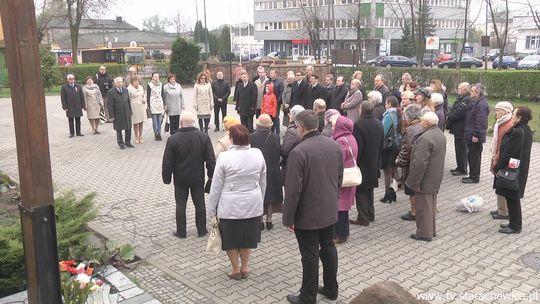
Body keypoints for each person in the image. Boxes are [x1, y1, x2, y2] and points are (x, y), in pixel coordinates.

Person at [283, 110, 342, 304]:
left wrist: (288, 218)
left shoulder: (298, 152)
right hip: (329, 209)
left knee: (310, 255)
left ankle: (307, 297)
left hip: (307, 214)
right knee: (328, 248)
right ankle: (331, 289)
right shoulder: (334, 145)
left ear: (300, 128)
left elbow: (292, 190)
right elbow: (339, 178)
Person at [207, 124, 266, 280]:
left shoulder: (224, 157)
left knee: (231, 239)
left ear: (232, 139)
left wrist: (212, 209)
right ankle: (245, 267)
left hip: (229, 206)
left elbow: (216, 186)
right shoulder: (258, 154)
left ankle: (235, 269)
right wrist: (260, 200)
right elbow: (263, 181)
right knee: (248, 237)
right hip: (252, 204)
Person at [163, 111, 215, 238]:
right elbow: (210, 159)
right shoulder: (203, 137)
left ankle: (181, 232)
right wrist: (211, 175)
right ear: (194, 123)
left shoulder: (173, 139)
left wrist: (166, 178)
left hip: (180, 179)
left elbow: (167, 162)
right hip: (197, 178)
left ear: (181, 123)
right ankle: (201, 230)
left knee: (180, 205)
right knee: (200, 204)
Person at [406, 112, 446, 242]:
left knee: (423, 207)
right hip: (435, 175)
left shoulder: (425, 138)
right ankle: (431, 230)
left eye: (422, 121)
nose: (420, 123)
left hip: (425, 178)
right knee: (431, 205)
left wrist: (415, 182)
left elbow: (419, 163)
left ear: (427, 123)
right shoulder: (440, 134)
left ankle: (424, 233)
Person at [496, 106, 533, 234]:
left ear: (520, 117)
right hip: (520, 168)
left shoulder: (518, 131)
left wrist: (498, 166)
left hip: (514, 169)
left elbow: (509, 152)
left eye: (514, 115)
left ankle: (515, 226)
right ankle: (513, 222)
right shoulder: (525, 129)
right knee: (512, 196)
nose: (512, 116)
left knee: (512, 197)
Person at [351, 101, 384, 226]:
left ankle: (363, 218)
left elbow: (358, 147)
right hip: (374, 160)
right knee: (370, 190)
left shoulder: (358, 125)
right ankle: (370, 214)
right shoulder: (378, 123)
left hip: (363, 163)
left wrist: (355, 163)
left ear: (361, 110)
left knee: (361, 191)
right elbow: (382, 143)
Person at [251, 114, 283, 231]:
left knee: (259, 194)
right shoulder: (275, 137)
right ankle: (269, 219)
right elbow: (280, 152)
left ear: (258, 124)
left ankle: (260, 220)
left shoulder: (251, 137)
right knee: (270, 195)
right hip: (273, 169)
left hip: (257, 170)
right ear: (270, 126)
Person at [331, 116, 358, 244]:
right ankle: (344, 233)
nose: (332, 128)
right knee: (344, 207)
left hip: (342, 178)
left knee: (340, 207)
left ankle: (340, 235)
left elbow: (338, 160)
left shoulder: (341, 140)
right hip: (349, 176)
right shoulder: (351, 137)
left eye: (334, 125)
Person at [396, 104, 424, 221]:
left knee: (411, 189)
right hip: (420, 162)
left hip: (411, 164)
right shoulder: (422, 125)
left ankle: (414, 212)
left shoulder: (410, 130)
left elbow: (407, 148)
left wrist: (399, 161)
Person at [489, 102, 514, 220]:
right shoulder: (500, 123)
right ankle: (500, 208)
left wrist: (497, 159)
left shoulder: (508, 124)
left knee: (502, 184)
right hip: (497, 156)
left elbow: (505, 145)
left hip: (502, 159)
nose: (496, 113)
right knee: (497, 183)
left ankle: (504, 211)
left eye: (499, 110)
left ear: (506, 112)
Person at [463, 83, 490, 184]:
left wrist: (476, 135)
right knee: (472, 155)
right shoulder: (476, 101)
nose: (470, 92)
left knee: (475, 156)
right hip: (471, 134)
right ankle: (472, 175)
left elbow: (481, 122)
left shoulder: (481, 104)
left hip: (475, 136)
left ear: (477, 92)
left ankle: (474, 177)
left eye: (472, 91)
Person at [446, 82, 472, 177]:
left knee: (462, 149)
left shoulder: (467, 100)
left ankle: (462, 169)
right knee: (458, 148)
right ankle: (459, 166)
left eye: (459, 88)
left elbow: (459, 112)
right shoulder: (462, 98)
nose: (458, 89)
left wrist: (449, 117)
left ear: (465, 90)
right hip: (458, 128)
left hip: (462, 129)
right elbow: (454, 108)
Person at [379, 96, 401, 204]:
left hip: (388, 147)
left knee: (387, 171)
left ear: (390, 104)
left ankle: (387, 194)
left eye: (386, 103)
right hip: (397, 145)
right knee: (394, 170)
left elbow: (383, 131)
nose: (385, 104)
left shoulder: (388, 116)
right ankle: (394, 192)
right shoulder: (399, 114)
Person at [107, 77, 133, 149]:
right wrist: (111, 116)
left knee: (128, 128)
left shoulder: (125, 90)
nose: (120, 83)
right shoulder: (111, 92)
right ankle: (120, 142)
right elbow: (109, 105)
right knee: (119, 129)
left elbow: (128, 101)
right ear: (115, 83)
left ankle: (128, 142)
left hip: (126, 112)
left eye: (121, 82)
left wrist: (130, 111)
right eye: (118, 82)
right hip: (117, 113)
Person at [281, 105, 305, 182]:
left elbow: (284, 151)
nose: (289, 115)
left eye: (290, 114)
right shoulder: (305, 127)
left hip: (291, 164)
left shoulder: (292, 131)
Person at [127, 76, 146, 144]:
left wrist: (144, 99)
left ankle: (140, 136)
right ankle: (136, 136)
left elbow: (143, 95)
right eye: (135, 81)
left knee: (141, 122)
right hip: (134, 106)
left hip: (141, 105)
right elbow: (128, 99)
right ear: (132, 82)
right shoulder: (129, 89)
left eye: (137, 81)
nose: (136, 83)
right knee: (136, 122)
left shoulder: (141, 87)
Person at [147, 72, 165, 141]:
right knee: (154, 120)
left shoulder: (161, 84)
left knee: (159, 119)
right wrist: (148, 105)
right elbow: (148, 96)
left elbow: (162, 95)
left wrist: (164, 104)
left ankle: (159, 133)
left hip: (160, 103)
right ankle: (155, 133)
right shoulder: (149, 85)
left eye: (157, 76)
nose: (156, 78)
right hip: (153, 103)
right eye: (155, 76)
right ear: (152, 77)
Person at [267, 69, 283, 134]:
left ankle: (277, 132)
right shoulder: (267, 82)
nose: (271, 74)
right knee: (270, 118)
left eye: (272, 73)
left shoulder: (279, 83)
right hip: (269, 104)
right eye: (270, 73)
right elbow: (264, 93)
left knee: (276, 117)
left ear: (275, 74)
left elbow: (280, 93)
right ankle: (271, 131)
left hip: (276, 103)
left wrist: (277, 102)